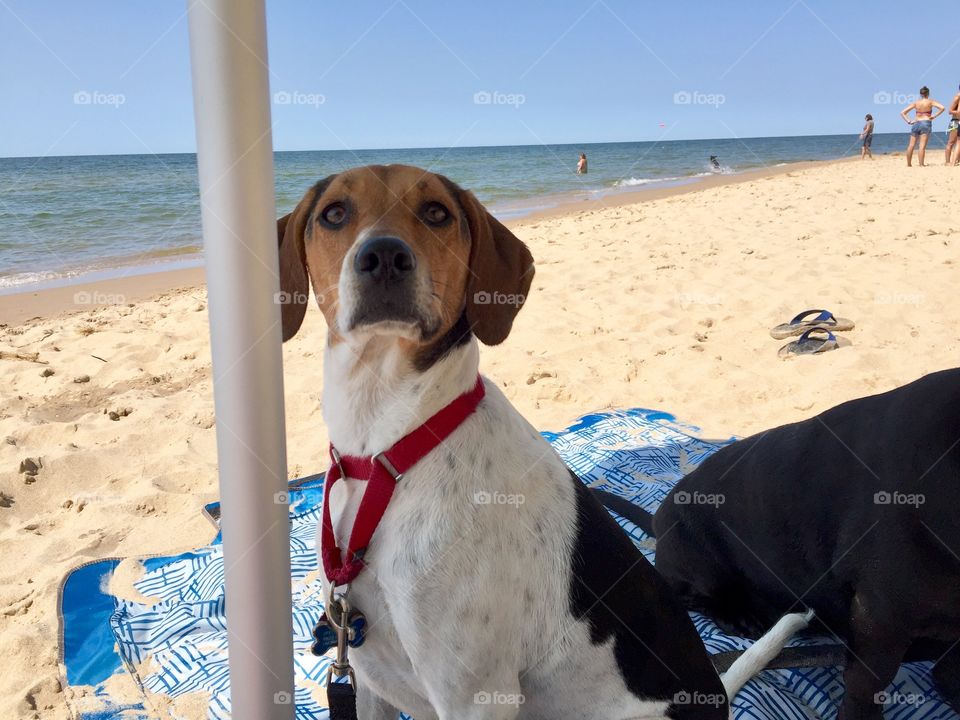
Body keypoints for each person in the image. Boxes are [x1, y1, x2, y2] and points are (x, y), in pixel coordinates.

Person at [900, 86, 945, 167]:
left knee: (911, 145)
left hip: (916, 122)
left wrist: (908, 121)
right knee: (922, 146)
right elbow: (942, 108)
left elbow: (902, 112)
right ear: (928, 93)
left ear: (921, 94)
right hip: (925, 122)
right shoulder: (930, 101)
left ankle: (909, 164)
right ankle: (921, 164)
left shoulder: (916, 103)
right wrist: (934, 116)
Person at [946, 85, 960, 166]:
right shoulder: (957, 96)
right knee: (951, 142)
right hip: (955, 121)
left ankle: (957, 160)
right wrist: (958, 112)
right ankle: (947, 162)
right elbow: (950, 111)